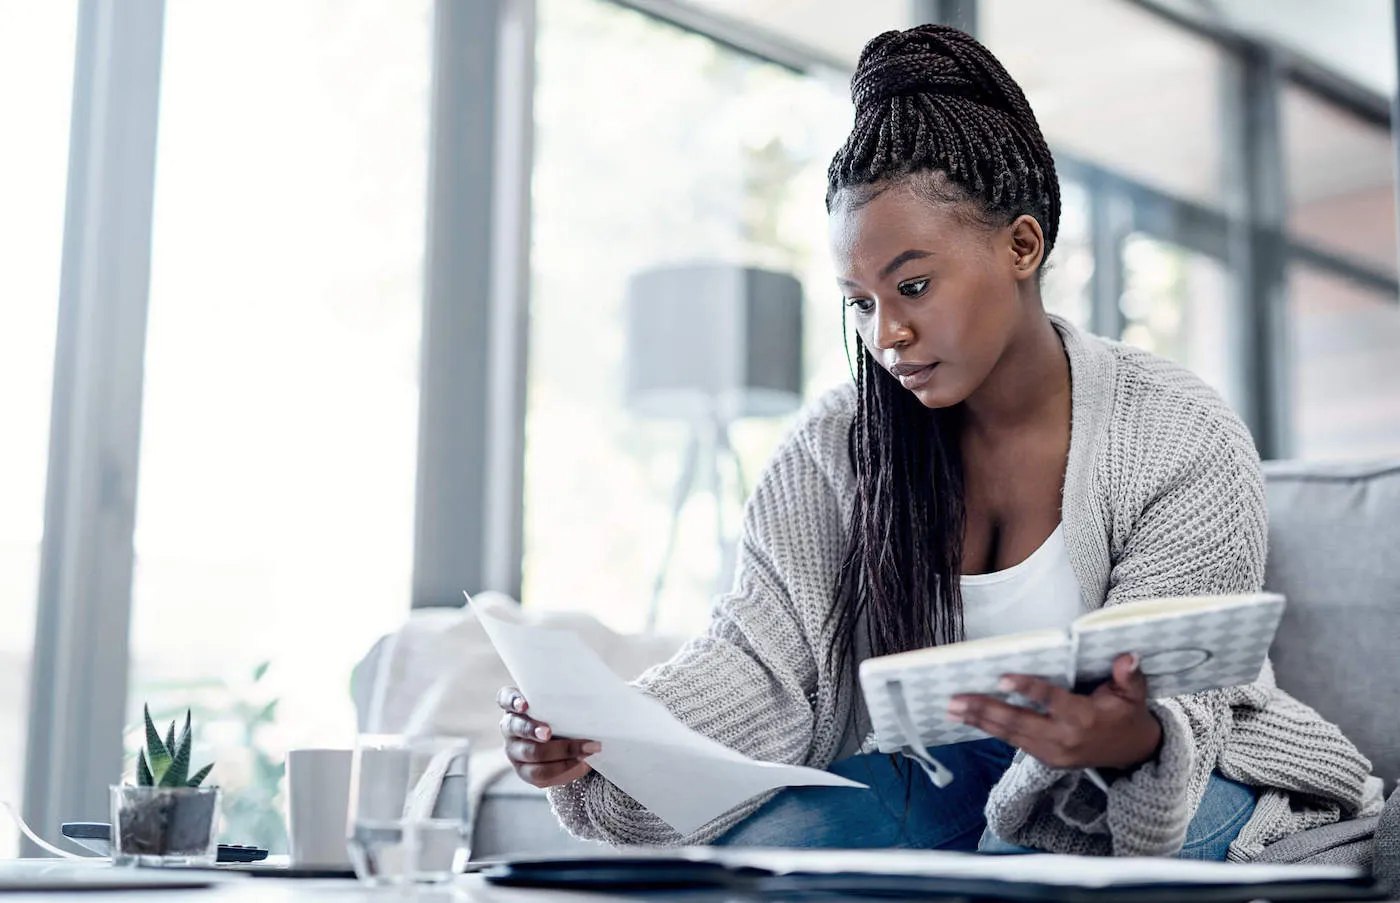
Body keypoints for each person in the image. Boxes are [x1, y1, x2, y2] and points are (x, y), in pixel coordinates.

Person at [496, 24, 1381, 859]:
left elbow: (1187, 687)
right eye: (861, 300)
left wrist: (1128, 732)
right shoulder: (835, 446)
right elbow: (761, 663)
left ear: (1022, 245)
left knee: (1038, 842)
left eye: (912, 284)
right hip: (941, 776)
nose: (887, 333)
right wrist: (604, 733)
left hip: (1169, 778)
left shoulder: (1178, 428)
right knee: (767, 854)